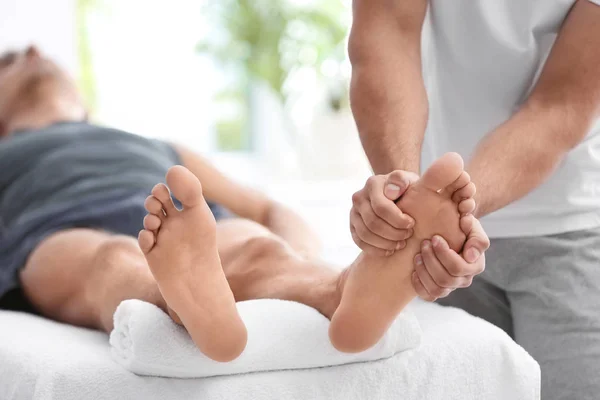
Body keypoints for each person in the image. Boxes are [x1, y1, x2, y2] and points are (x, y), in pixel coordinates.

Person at [0, 46, 481, 362]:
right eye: (10, 60)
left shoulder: (154, 144)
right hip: (54, 229)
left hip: (183, 219)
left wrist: (294, 250)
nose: (35, 53)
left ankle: (341, 292)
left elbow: (269, 211)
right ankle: (179, 299)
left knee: (259, 250)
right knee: (112, 262)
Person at [348, 0, 600, 398]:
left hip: (571, 231)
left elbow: (559, 105)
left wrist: (446, 210)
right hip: (432, 240)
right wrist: (406, 191)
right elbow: (387, 35)